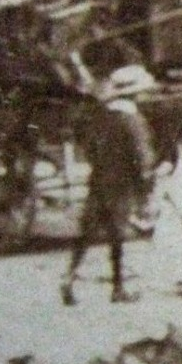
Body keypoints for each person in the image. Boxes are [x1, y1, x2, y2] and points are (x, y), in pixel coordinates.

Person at [61, 65, 157, 306]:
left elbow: (90, 148)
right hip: (121, 185)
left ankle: (70, 278)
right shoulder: (134, 121)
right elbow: (142, 158)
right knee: (117, 238)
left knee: (86, 234)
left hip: (99, 180)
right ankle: (117, 288)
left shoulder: (101, 117)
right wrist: (146, 187)